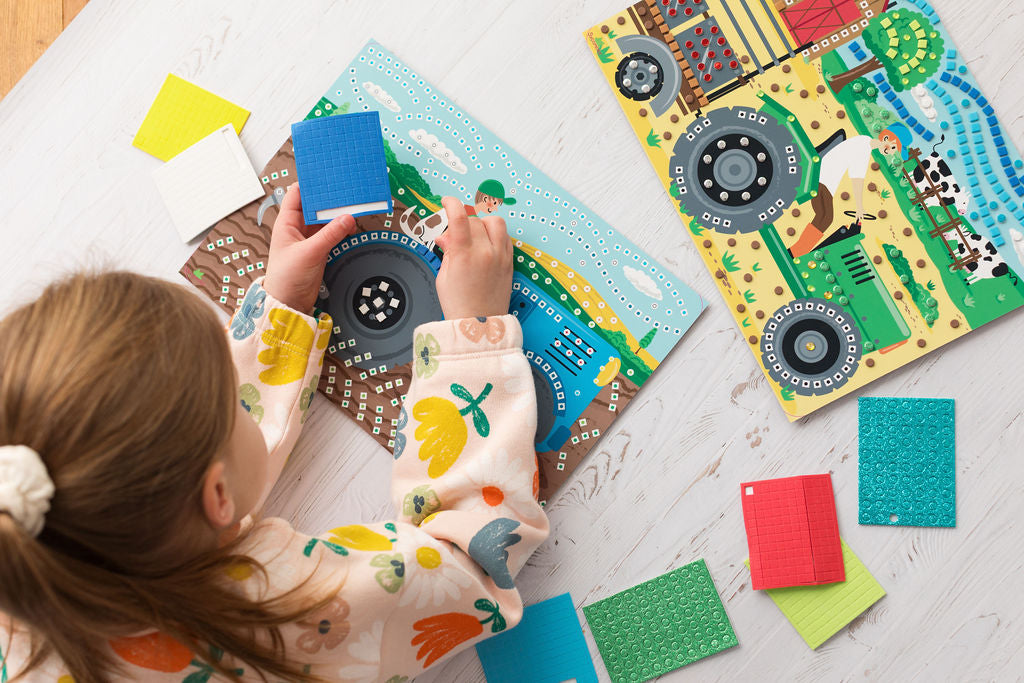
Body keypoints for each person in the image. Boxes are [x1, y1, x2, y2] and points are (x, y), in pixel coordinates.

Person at [0, 188, 547, 682]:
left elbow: (166, 462)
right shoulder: (275, 619)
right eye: (229, 403)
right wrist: (475, 333)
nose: (240, 401)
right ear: (216, 498)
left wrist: (280, 314)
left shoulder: (26, 565)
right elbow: (471, 563)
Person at [789, 123, 912, 258]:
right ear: (887, 138)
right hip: (822, 178)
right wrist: (859, 207)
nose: (893, 151)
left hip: (825, 180)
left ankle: (796, 251)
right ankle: (796, 252)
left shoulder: (865, 144)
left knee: (824, 216)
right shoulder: (864, 146)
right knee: (825, 217)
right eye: (894, 147)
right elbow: (857, 180)